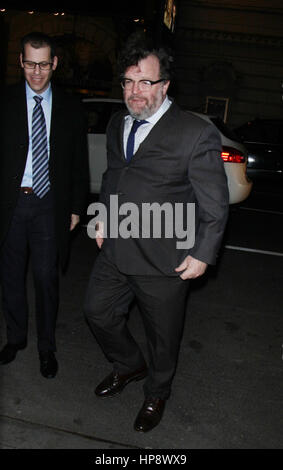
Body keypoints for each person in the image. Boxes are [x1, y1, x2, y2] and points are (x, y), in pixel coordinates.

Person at [84, 33, 229, 432]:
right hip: (116, 245)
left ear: (165, 85)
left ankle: (157, 391)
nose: (135, 91)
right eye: (128, 81)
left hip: (166, 257)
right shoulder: (118, 122)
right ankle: (129, 365)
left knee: (163, 337)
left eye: (145, 82)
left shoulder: (193, 133)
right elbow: (114, 176)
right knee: (96, 311)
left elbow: (214, 203)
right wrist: (101, 217)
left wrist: (202, 253)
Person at [0, 32, 89, 378]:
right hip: (12, 205)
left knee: (45, 278)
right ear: (21, 62)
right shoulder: (5, 101)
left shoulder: (70, 108)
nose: (36, 73)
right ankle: (16, 339)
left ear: (55, 64)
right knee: (10, 277)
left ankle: (46, 347)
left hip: (49, 205)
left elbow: (79, 164)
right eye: (30, 64)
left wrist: (76, 208)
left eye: (43, 64)